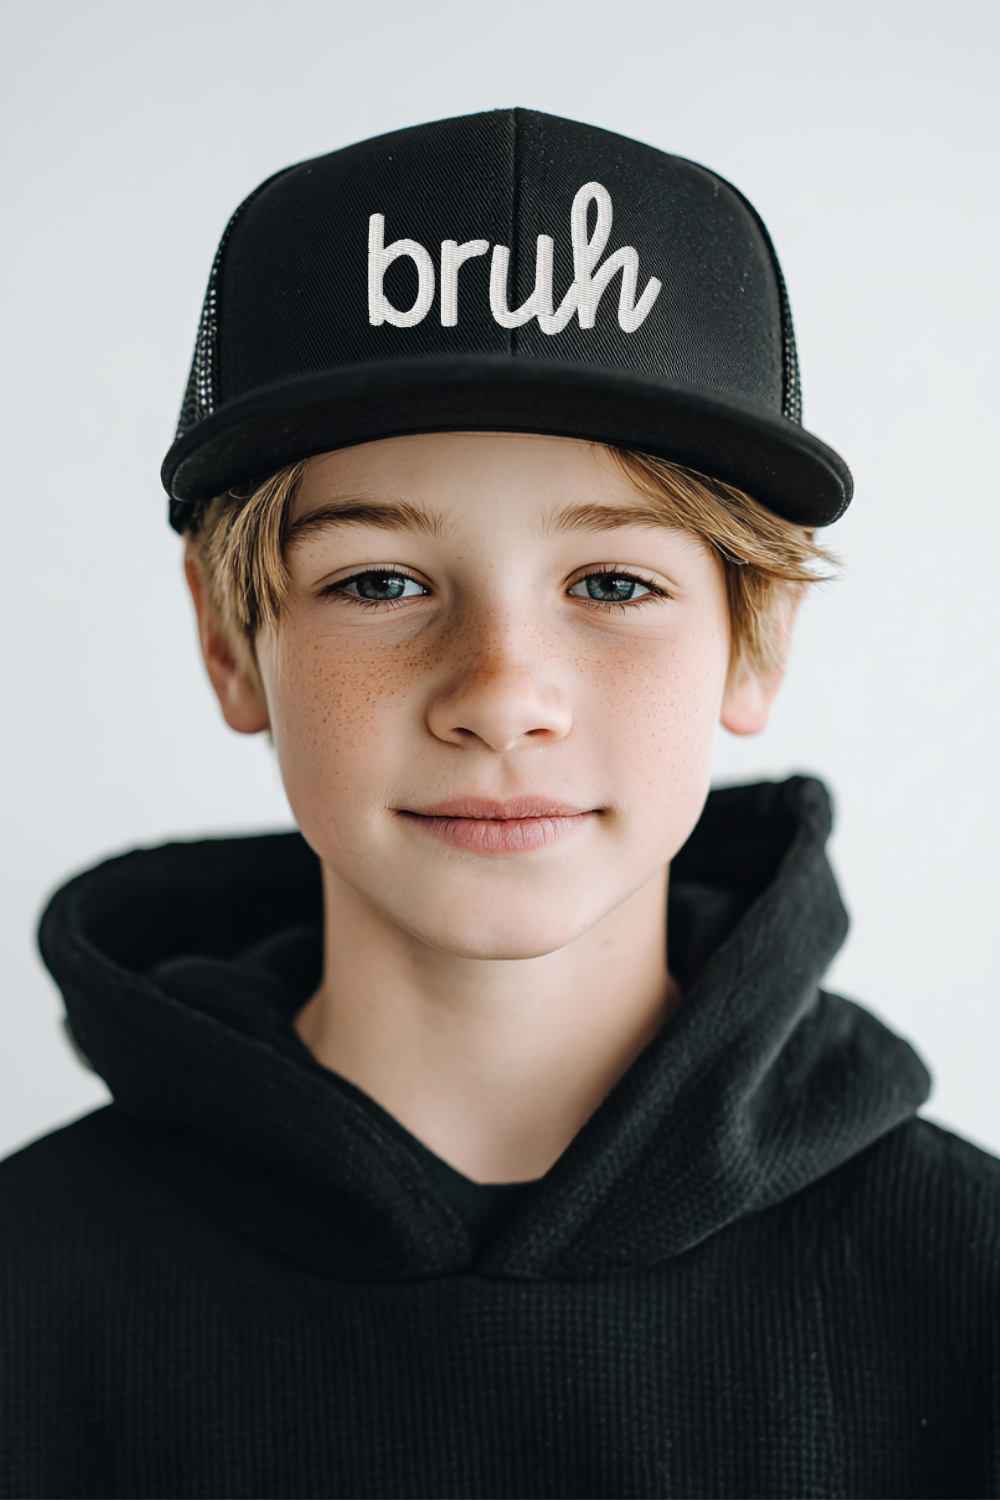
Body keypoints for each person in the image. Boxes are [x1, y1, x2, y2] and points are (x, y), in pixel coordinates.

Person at [1, 108, 997, 1500]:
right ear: (231, 644)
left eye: (612, 584)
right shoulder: (30, 1294)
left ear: (756, 641)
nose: (502, 693)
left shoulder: (967, 1291)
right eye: (381, 582)